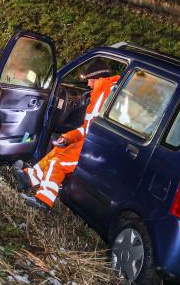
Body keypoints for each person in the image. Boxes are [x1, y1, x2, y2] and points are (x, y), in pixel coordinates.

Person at [12, 68, 124, 209]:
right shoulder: (99, 94)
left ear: (99, 78)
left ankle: (43, 200)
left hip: (96, 150)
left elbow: (98, 132)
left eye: (90, 80)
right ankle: (28, 179)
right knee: (57, 151)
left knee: (57, 162)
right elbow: (86, 128)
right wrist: (67, 138)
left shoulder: (105, 94)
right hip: (89, 143)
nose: (88, 85)